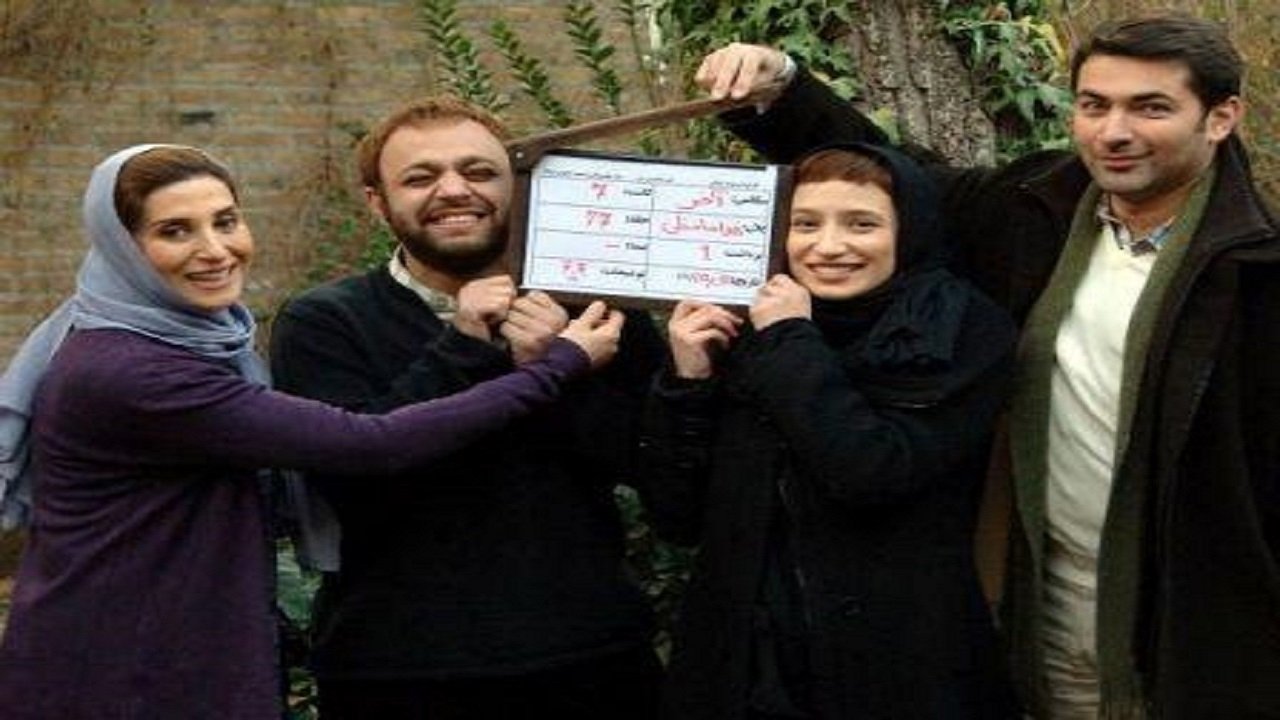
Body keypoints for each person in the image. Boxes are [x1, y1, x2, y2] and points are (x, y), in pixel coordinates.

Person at [695, 12, 1280, 719]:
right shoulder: (1036, 208)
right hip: (1049, 610)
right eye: (1094, 105)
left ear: (1221, 117)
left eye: (1150, 107)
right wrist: (783, 87)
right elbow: (899, 178)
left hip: (1201, 624)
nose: (1113, 132)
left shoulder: (1257, 269)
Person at [0, 144, 625, 719]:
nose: (215, 249)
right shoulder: (133, 372)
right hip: (121, 666)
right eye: (174, 231)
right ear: (122, 249)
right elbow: (372, 443)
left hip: (162, 643)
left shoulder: (161, 336)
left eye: (225, 221)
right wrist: (557, 366)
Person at [268, 96, 666, 719]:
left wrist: (561, 369)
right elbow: (354, 481)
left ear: (521, 187)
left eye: (479, 172)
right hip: (401, 672)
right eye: (420, 177)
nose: (454, 190)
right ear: (377, 203)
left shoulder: (594, 308)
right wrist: (466, 347)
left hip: (591, 657)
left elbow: (657, 471)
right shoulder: (323, 322)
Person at [639, 142, 1017, 719]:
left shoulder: (959, 329)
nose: (829, 246)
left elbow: (871, 471)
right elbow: (678, 517)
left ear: (909, 230)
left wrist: (790, 340)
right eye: (806, 224)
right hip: (749, 659)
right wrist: (687, 382)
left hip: (902, 662)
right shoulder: (742, 328)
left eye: (862, 224)